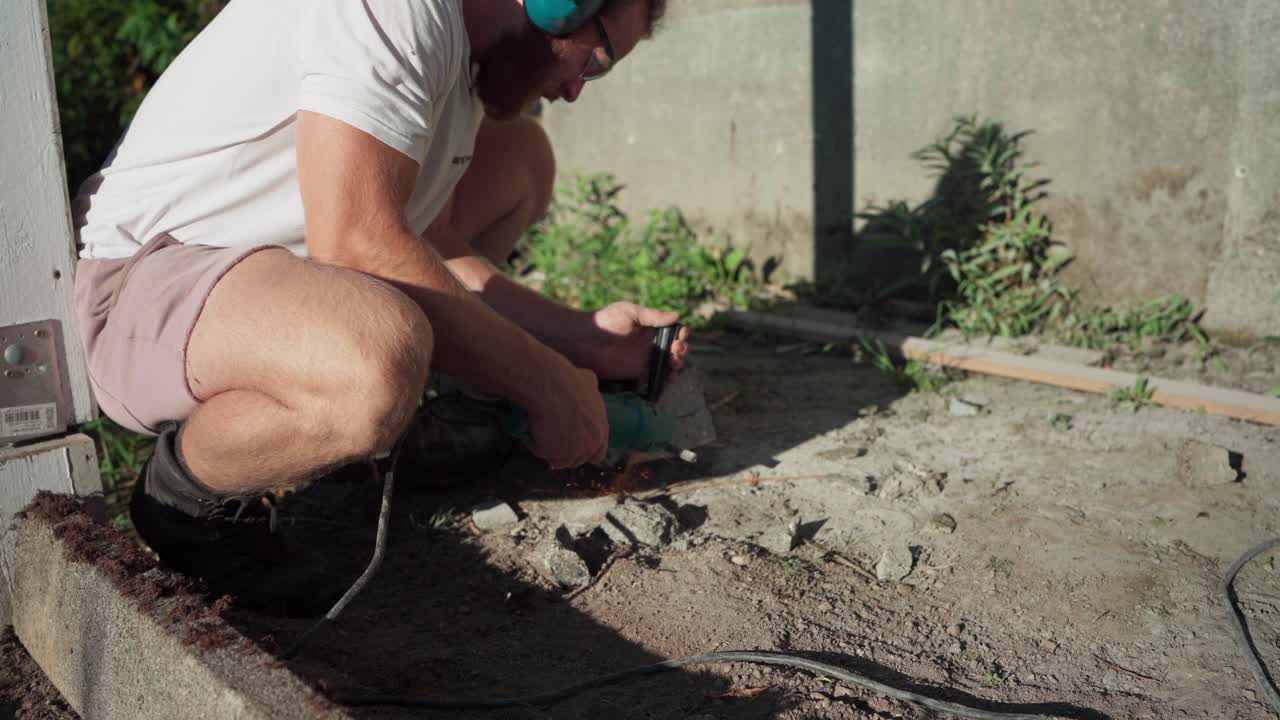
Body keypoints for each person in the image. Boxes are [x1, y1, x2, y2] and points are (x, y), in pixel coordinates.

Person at [70, 0, 686, 615]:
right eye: (597, 61)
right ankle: (185, 500)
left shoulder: (466, 59)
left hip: (268, 279)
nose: (576, 89)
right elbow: (358, 244)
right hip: (144, 286)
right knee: (376, 356)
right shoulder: (393, 10)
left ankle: (404, 420)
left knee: (521, 158)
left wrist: (583, 338)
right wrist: (548, 387)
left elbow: (433, 250)